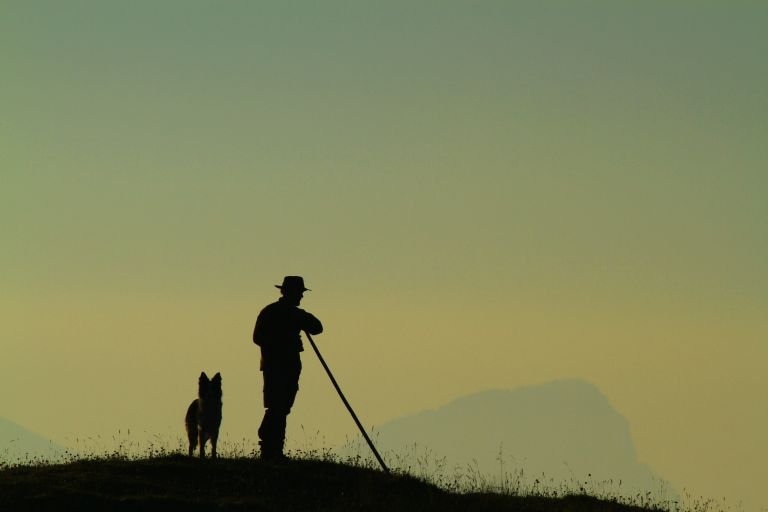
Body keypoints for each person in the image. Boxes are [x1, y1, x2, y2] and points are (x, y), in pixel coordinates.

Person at [252, 276, 323, 459]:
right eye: (299, 293)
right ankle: (270, 447)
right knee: (279, 407)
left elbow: (316, 327)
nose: (301, 297)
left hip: (280, 367)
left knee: (280, 407)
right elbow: (258, 337)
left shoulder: (275, 312)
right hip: (281, 367)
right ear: (289, 293)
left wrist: (300, 317)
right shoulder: (289, 314)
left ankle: (272, 448)